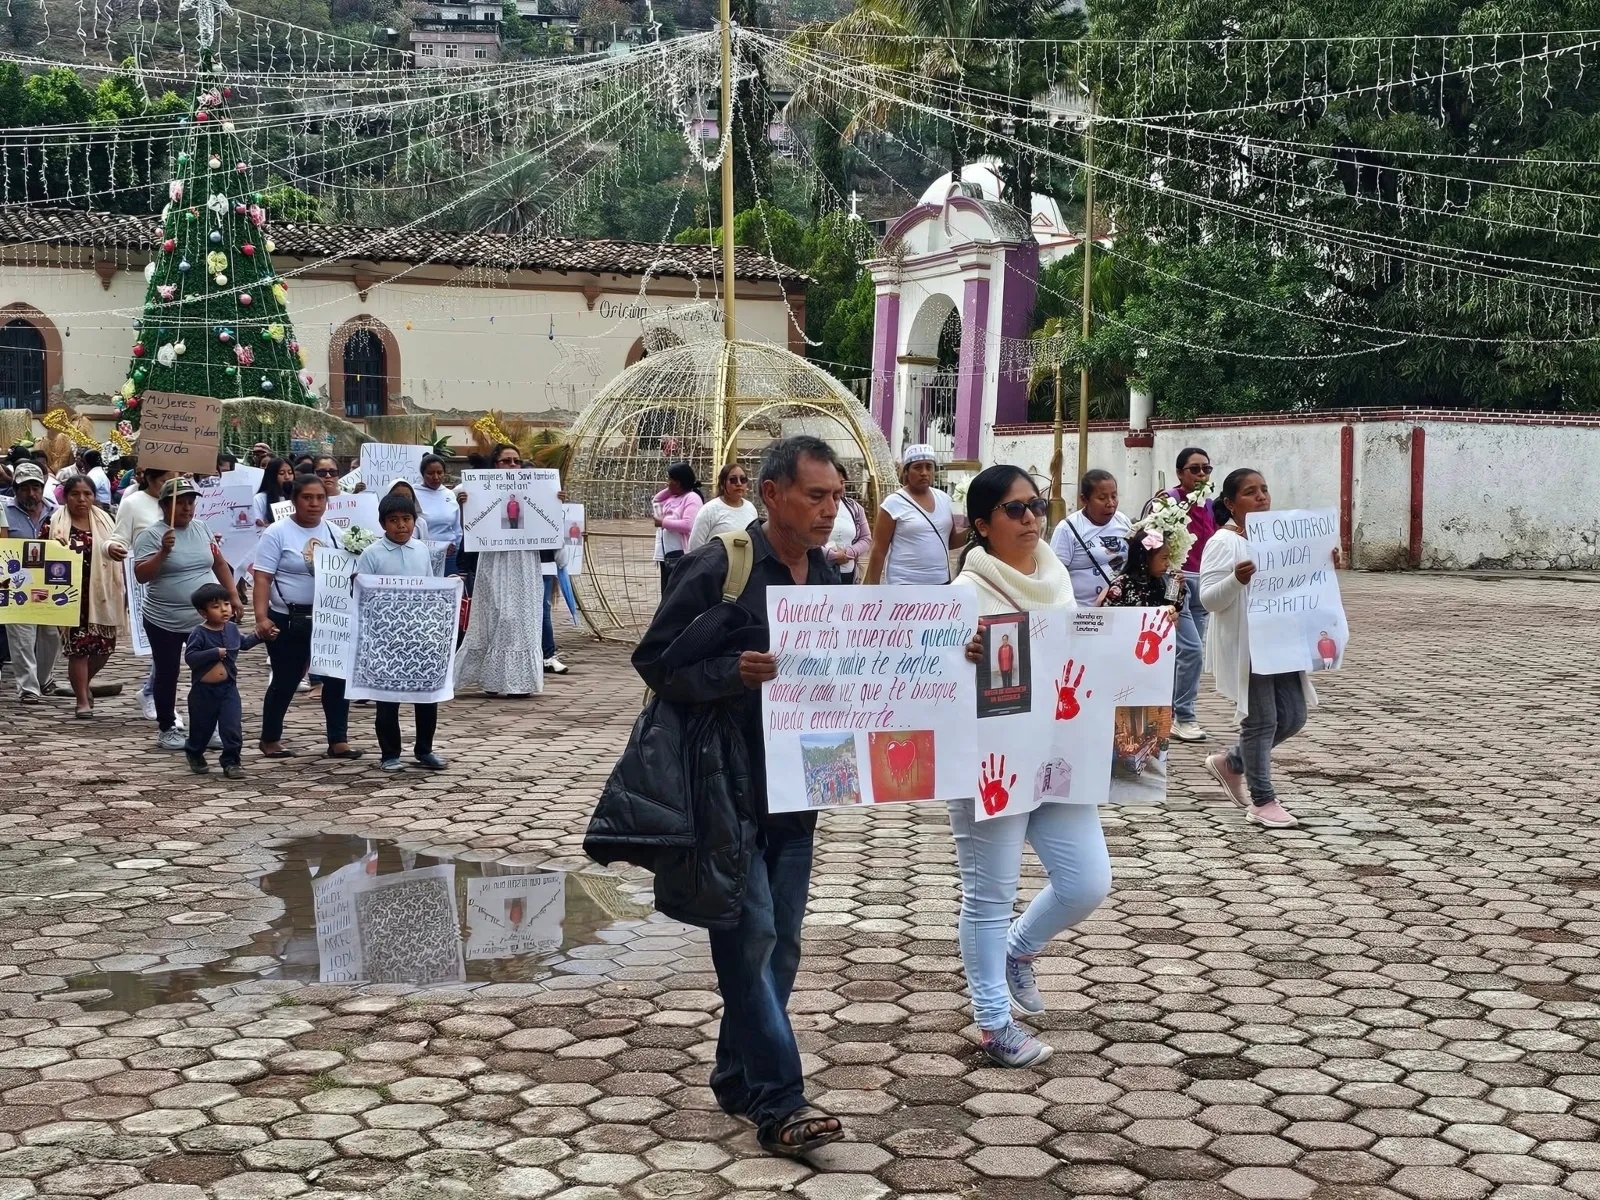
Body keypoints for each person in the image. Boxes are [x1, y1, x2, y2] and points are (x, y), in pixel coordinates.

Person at [629, 434, 845, 1157]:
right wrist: (732, 673)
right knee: (749, 938)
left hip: (801, 788)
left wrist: (949, 654)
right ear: (773, 493)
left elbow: (865, 664)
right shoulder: (723, 565)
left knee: (780, 945)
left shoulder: (828, 578)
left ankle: (733, 1074)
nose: (828, 509)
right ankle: (781, 1102)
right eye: (816, 495)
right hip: (726, 788)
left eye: (837, 496)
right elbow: (655, 659)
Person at [950, 465, 1112, 1067]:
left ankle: (1020, 950)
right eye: (1014, 510)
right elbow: (924, 681)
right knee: (988, 894)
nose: (1030, 519)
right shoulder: (963, 596)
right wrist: (956, 654)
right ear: (983, 525)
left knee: (1087, 881)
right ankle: (993, 1023)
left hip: (1056, 754)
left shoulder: (1058, 580)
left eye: (1036, 506)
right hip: (988, 761)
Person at [1199, 467, 1333, 830]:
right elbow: (1209, 599)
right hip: (1250, 644)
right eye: (1250, 492)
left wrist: (1322, 563)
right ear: (1230, 503)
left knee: (1293, 715)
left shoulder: (1277, 540)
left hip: (1282, 640)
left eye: (1264, 489)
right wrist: (1236, 579)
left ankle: (1232, 762)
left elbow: (1296, 583)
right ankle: (1263, 800)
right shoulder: (1223, 543)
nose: (1261, 497)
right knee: (1262, 721)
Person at [253, 473, 362, 759]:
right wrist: (262, 618)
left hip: (329, 618)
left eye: (320, 498)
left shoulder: (337, 535)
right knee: (287, 678)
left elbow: (350, 573)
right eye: (307, 498)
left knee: (336, 679)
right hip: (287, 618)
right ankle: (270, 737)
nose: (314, 504)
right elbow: (263, 578)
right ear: (294, 500)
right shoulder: (276, 533)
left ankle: (338, 739)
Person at [133, 478, 241, 750]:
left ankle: (208, 724)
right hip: (164, 619)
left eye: (190, 501)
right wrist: (163, 552)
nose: (186, 507)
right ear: (164, 505)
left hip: (203, 621)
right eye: (179, 502)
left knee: (210, 671)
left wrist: (233, 596)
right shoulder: (150, 535)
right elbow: (141, 575)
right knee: (168, 672)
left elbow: (218, 562)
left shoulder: (202, 529)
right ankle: (167, 726)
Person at [358, 493, 448, 772]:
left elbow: (431, 588)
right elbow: (361, 594)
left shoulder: (421, 550)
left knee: (427, 697)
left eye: (406, 519)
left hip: (419, 636)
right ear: (382, 523)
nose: (401, 526)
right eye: (393, 520)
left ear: (414, 521)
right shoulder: (372, 554)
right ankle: (390, 753)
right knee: (387, 699)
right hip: (385, 640)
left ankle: (425, 749)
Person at [456, 443, 545, 698]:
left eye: (516, 461)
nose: (512, 466)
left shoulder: (535, 488)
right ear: (495, 464)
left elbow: (548, 524)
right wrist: (466, 506)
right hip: (494, 557)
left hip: (524, 558)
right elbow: (472, 527)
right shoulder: (480, 489)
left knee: (519, 616)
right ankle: (492, 677)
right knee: (496, 612)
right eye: (506, 461)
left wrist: (554, 499)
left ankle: (521, 681)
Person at [50, 475, 126, 718]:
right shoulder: (54, 523)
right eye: (75, 494)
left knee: (104, 648)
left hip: (102, 594)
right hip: (70, 595)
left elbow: (120, 547)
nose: (81, 499)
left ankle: (81, 683)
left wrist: (116, 550)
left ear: (94, 496)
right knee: (78, 650)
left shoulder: (106, 521)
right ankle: (82, 700)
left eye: (87, 494)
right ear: (66, 496)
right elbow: (42, 556)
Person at [1163, 447, 1218, 744]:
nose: (1201, 475)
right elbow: (1152, 541)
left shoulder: (1209, 505)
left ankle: (1170, 712)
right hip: (1176, 581)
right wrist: (1170, 573)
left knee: (1186, 654)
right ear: (1180, 473)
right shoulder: (1168, 502)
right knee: (1191, 650)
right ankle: (1184, 716)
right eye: (1194, 469)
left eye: (1206, 469)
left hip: (1203, 583)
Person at [110, 464, 172, 721]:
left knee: (177, 646)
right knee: (162, 644)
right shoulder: (133, 503)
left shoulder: (182, 501)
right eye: (166, 481)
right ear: (149, 478)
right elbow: (118, 538)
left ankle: (153, 691)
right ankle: (156, 695)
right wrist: (111, 548)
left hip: (180, 581)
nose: (171, 488)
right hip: (148, 580)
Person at [183, 582, 260, 779]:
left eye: (226, 604)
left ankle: (231, 761)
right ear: (203, 613)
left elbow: (243, 644)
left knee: (232, 726)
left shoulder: (232, 629)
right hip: (203, 691)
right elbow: (191, 657)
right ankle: (194, 752)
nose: (224, 610)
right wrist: (213, 653)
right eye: (216, 607)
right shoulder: (199, 633)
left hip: (228, 689)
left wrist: (261, 636)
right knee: (202, 728)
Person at [2, 463, 61, 703]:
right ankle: (28, 687)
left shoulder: (57, 513)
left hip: (52, 583)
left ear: (43, 486)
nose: (31, 494)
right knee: (21, 636)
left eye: (35, 487)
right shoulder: (4, 512)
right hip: (17, 583)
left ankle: (43, 679)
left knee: (51, 635)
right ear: (15, 489)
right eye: (24, 488)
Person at [864, 444, 959, 584]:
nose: (924, 473)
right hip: (904, 584)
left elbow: (950, 541)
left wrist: (975, 529)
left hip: (940, 584)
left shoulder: (944, 499)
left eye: (929, 467)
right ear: (906, 472)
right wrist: (872, 589)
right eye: (918, 467)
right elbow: (879, 550)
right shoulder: (893, 503)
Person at [1050, 469, 1131, 606]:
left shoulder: (1123, 521)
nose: (1110, 503)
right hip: (1085, 615)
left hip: (1122, 610)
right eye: (1102, 498)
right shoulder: (1068, 529)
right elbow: (1055, 576)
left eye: (1114, 496)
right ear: (1084, 499)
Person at [1098, 523, 1183, 611]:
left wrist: (1175, 589)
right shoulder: (1121, 585)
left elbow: (1169, 612)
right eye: (1164, 558)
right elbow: (1106, 618)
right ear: (1145, 558)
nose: (1167, 564)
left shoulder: (1159, 583)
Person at [652, 463, 704, 592]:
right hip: (666, 555)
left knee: (675, 594)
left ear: (678, 482)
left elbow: (689, 525)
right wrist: (670, 489)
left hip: (680, 554)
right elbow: (656, 501)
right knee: (666, 594)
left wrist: (663, 523)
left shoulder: (692, 498)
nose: (667, 482)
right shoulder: (672, 497)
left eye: (669, 479)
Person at [687, 463, 759, 551]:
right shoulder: (709, 510)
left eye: (743, 479)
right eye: (733, 480)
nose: (739, 484)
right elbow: (694, 547)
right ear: (722, 484)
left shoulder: (751, 508)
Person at [415, 454, 463, 576]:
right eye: (430, 473)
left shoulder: (450, 494)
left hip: (448, 556)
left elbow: (457, 526)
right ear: (422, 474)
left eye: (439, 472)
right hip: (421, 555)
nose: (436, 477)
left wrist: (454, 545)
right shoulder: (413, 493)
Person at [824, 463, 872, 582]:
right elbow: (805, 539)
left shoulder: (855, 508)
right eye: (834, 481)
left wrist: (848, 553)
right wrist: (832, 556)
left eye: (842, 482)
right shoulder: (812, 507)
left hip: (848, 573)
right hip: (821, 572)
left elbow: (866, 539)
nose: (839, 486)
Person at [254, 457, 295, 526]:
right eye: (281, 473)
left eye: (290, 473)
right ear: (272, 476)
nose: (287, 477)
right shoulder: (259, 499)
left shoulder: (299, 497)